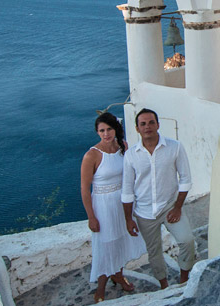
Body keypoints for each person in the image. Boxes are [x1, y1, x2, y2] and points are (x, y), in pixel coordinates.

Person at [122, 108, 195, 289]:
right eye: (143, 124)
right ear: (137, 128)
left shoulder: (174, 147)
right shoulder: (131, 155)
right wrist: (128, 218)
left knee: (187, 240)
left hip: (170, 206)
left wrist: (177, 207)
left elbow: (185, 179)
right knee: (154, 252)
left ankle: (184, 279)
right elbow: (127, 190)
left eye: (151, 122)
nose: (148, 127)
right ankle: (163, 285)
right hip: (144, 212)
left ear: (158, 125)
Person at [80, 112, 146, 303]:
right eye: (102, 130)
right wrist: (91, 217)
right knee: (106, 244)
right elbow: (85, 189)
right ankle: (101, 288)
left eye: (109, 129)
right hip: (103, 206)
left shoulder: (123, 146)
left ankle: (118, 275)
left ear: (115, 128)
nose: (106, 134)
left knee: (120, 240)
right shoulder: (92, 155)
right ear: (97, 132)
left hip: (122, 203)